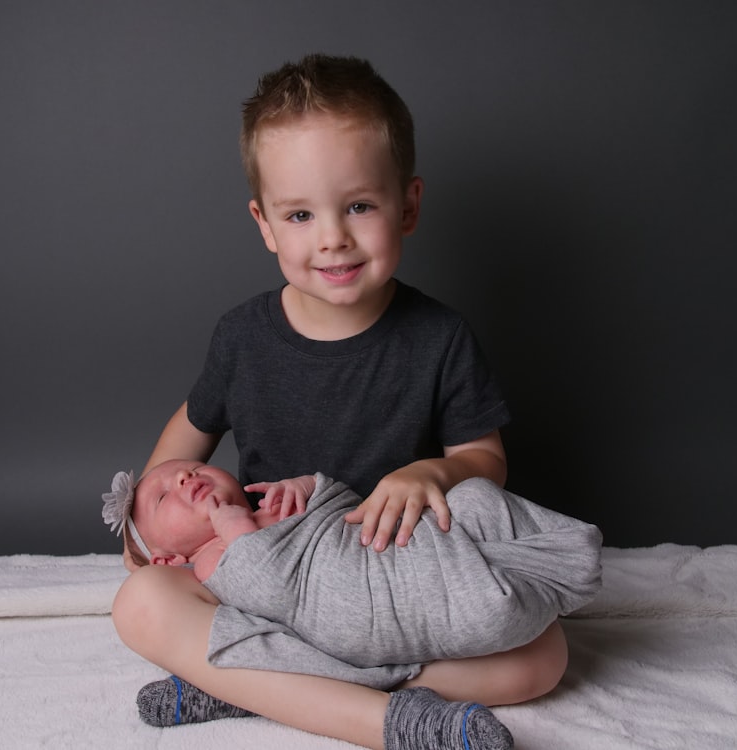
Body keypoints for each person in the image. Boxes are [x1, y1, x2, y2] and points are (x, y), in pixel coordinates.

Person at [113, 54, 547, 749]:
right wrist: (143, 536)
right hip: (265, 577)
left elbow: (483, 459)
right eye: (300, 214)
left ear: (407, 205)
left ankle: (259, 689)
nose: (332, 237)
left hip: (388, 584)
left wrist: (430, 472)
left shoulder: (439, 337)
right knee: (139, 603)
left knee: (542, 658)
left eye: (359, 206)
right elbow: (184, 440)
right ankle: (390, 722)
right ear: (265, 224)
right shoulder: (242, 337)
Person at [104, 459, 601, 689]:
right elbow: (270, 586)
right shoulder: (213, 561)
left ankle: (565, 550)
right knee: (489, 604)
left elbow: (346, 511)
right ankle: (547, 568)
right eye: (165, 496)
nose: (185, 478)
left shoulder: (272, 505)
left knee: (476, 500)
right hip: (366, 603)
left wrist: (307, 486)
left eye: (188, 469)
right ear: (171, 561)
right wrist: (234, 526)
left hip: (387, 550)